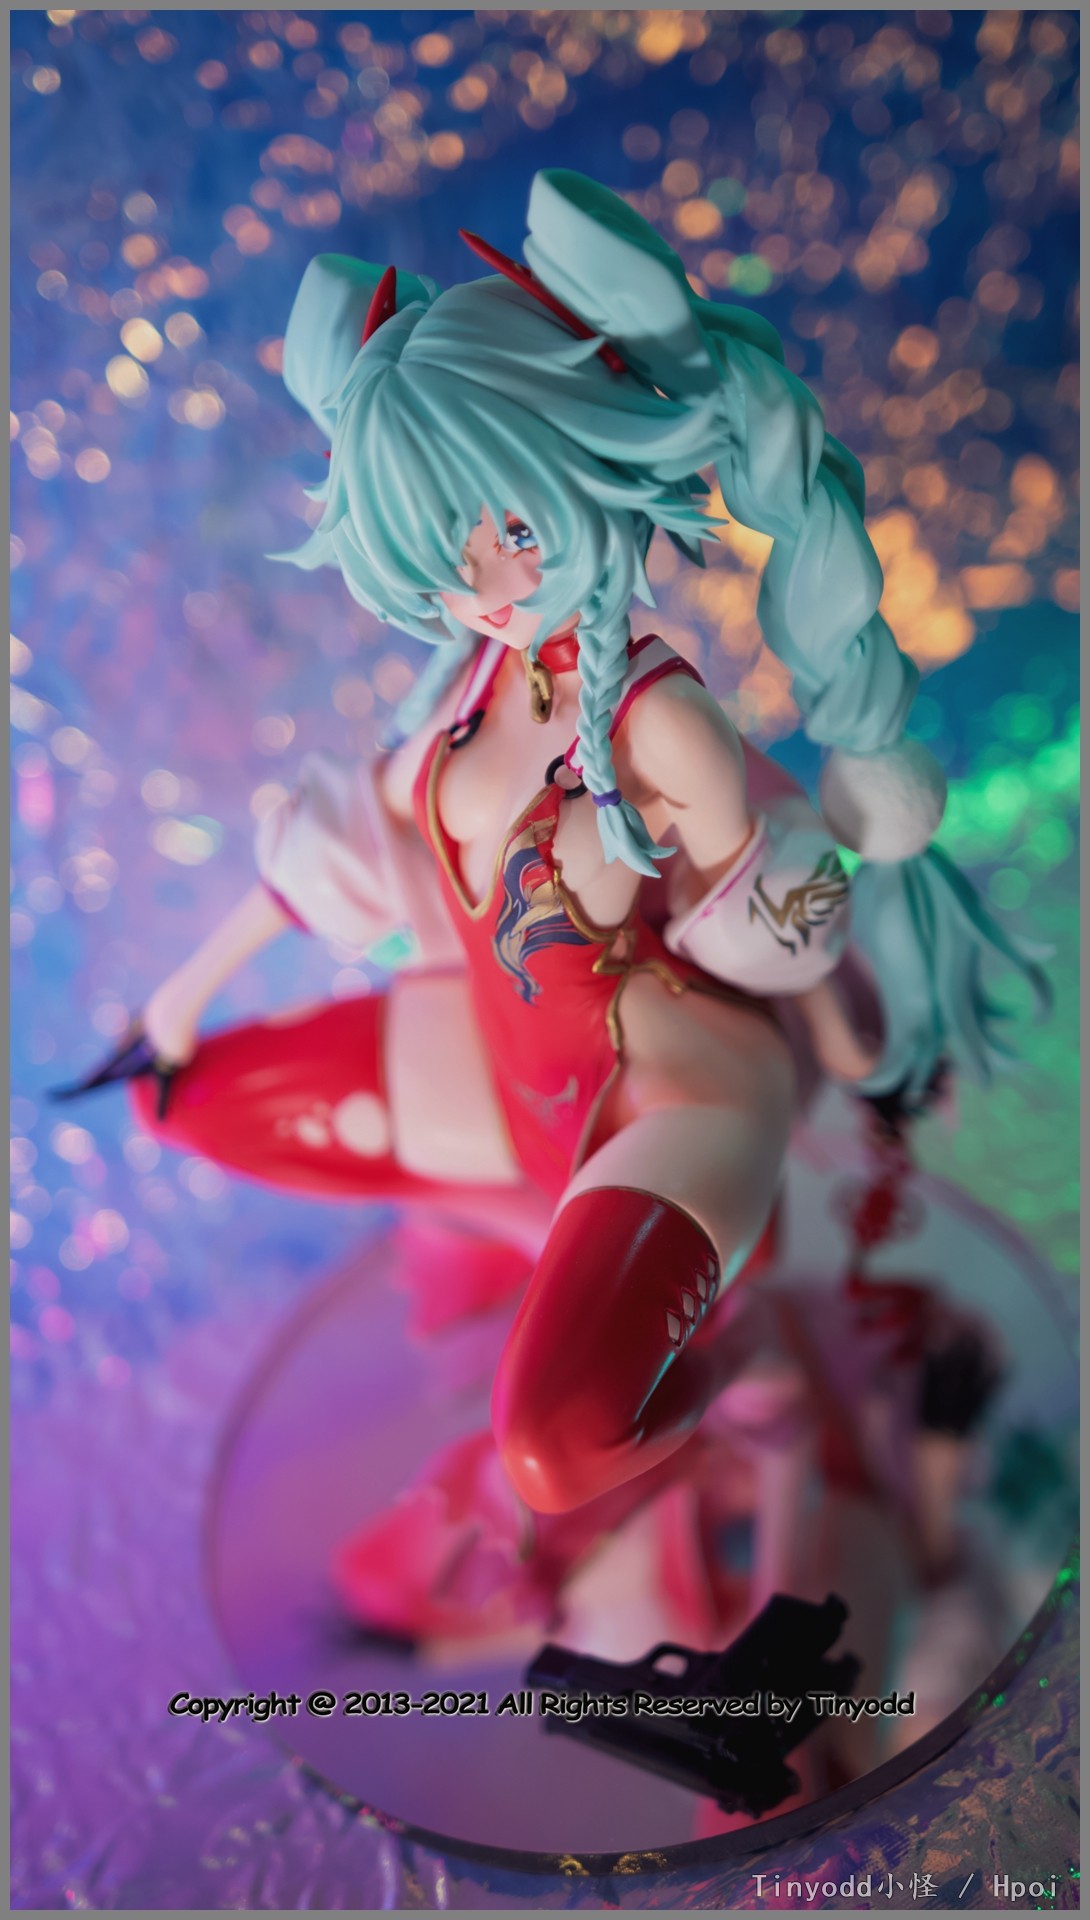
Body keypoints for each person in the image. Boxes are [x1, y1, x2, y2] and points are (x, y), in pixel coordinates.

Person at [58, 171, 1045, 1634]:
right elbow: (345, 841)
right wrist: (179, 1000)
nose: (480, 579)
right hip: (506, 1074)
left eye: (510, 528)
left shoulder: (659, 723)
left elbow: (763, 925)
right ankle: (599, 1326)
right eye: (441, 547)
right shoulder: (471, 677)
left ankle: (730, 1407)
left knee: (558, 1443)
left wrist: (848, 990)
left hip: (659, 1100)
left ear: (588, 463)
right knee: (182, 1102)